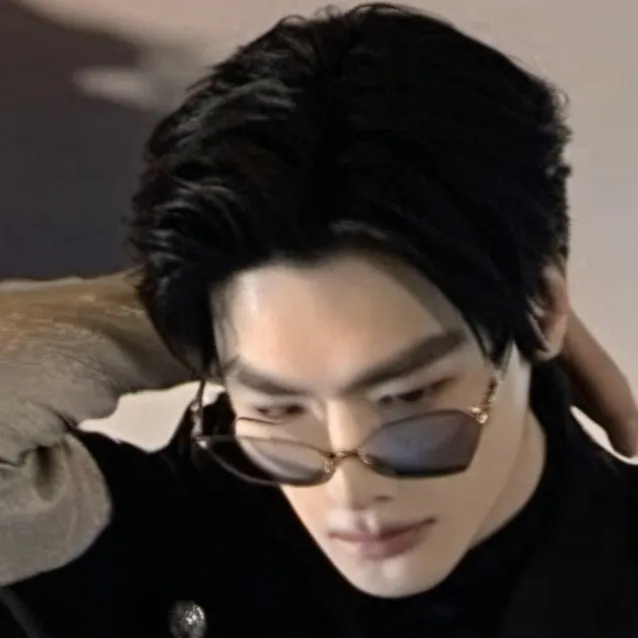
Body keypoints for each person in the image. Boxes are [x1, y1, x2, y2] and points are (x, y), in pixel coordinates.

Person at [1, 4, 637, 637]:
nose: (351, 491)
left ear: (544, 306)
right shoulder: (151, 547)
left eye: (408, 398)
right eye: (279, 409)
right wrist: (191, 304)